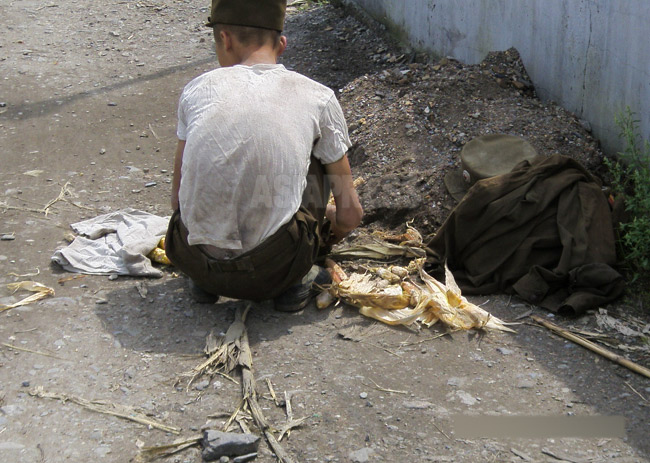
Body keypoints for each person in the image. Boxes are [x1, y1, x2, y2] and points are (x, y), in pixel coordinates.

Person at [165, 0, 363, 311]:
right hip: (276, 269)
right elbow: (351, 214)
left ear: (225, 39)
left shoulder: (196, 90)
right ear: (282, 44)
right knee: (315, 155)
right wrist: (330, 231)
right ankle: (296, 281)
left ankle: (205, 283)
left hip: (193, 259)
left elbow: (178, 200)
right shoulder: (317, 97)